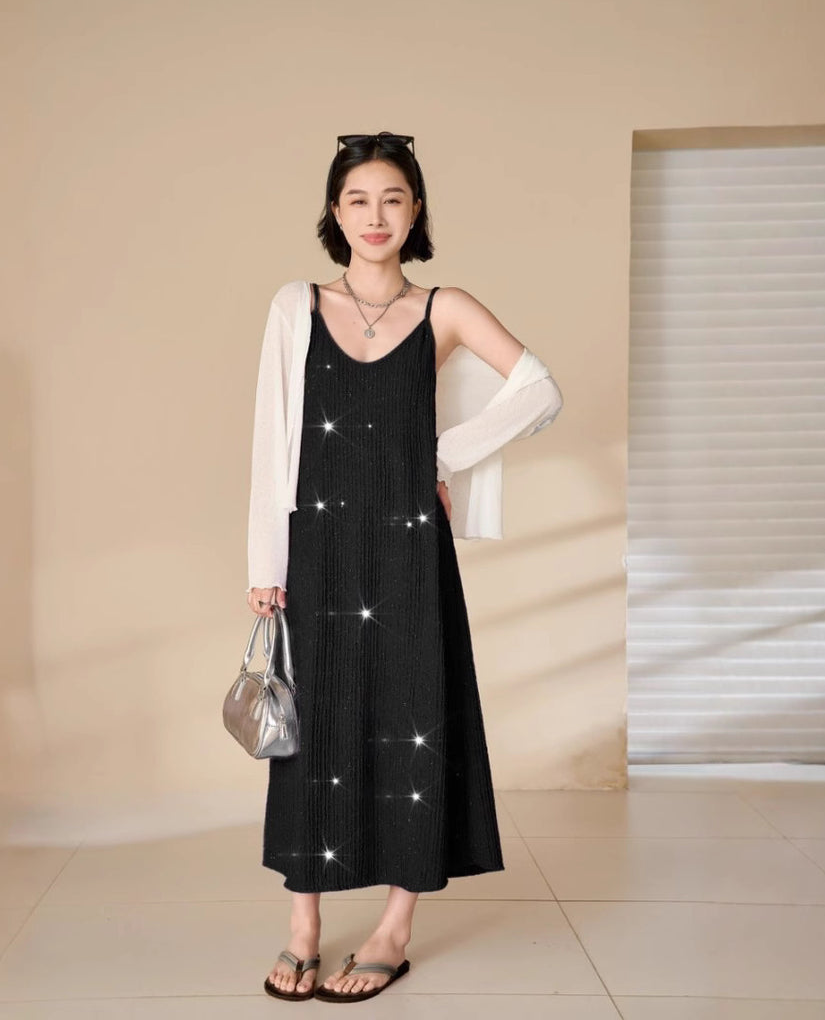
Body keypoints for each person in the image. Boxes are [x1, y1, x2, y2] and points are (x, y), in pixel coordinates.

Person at [247, 132, 562, 1003]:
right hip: (315, 548)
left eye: (392, 197)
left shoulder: (443, 308)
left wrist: (442, 454)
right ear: (334, 212)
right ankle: (303, 927)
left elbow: (539, 388)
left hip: (408, 548)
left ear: (415, 209)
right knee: (314, 729)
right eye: (357, 199)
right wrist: (264, 563)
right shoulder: (296, 305)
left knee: (411, 716)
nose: (375, 215)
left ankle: (393, 928)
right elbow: (271, 440)